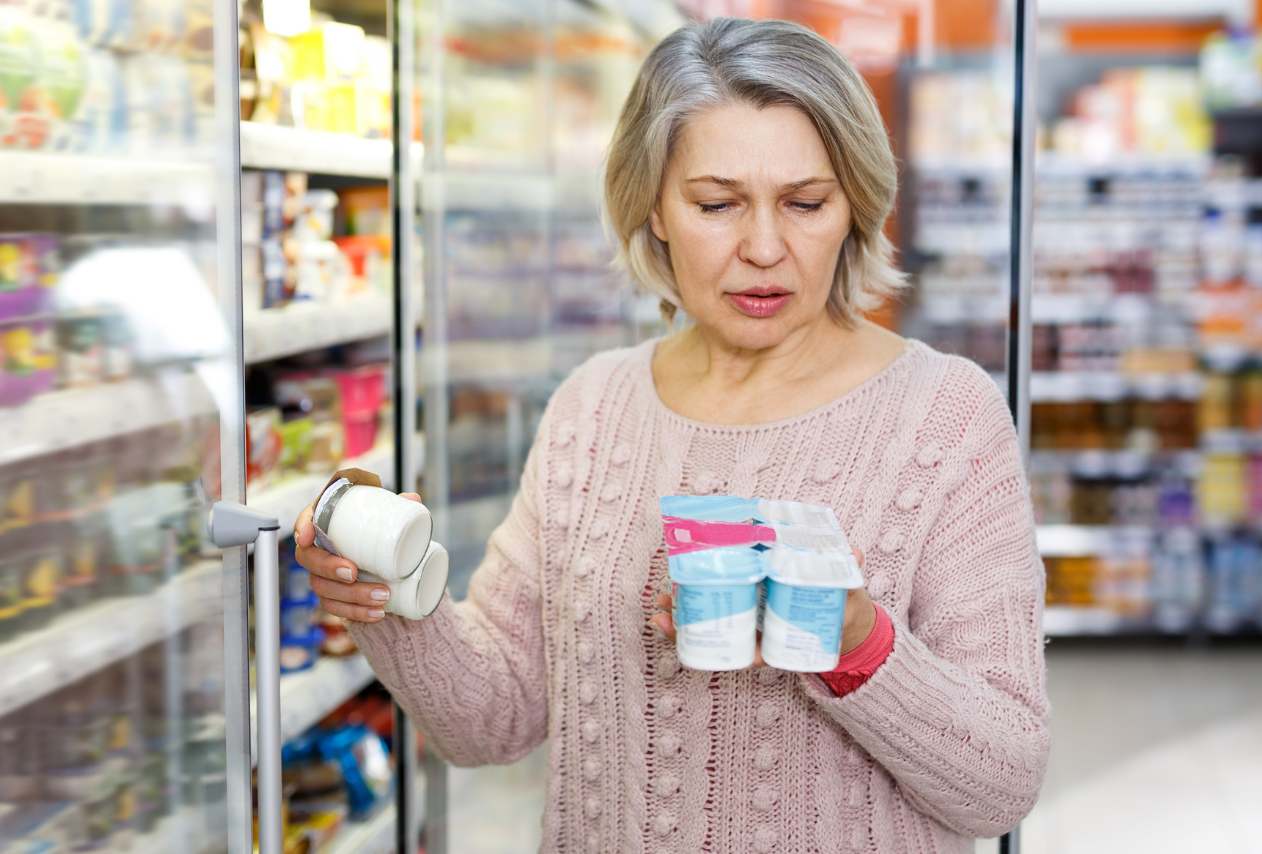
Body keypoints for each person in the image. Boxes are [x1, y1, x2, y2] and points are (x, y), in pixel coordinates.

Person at [295, 17, 1049, 853]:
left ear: (856, 207)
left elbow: (1002, 782)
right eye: (716, 205)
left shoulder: (945, 417)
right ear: (653, 206)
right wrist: (391, 596)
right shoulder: (593, 408)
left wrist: (857, 645)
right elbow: (493, 722)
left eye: (805, 203)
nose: (764, 248)